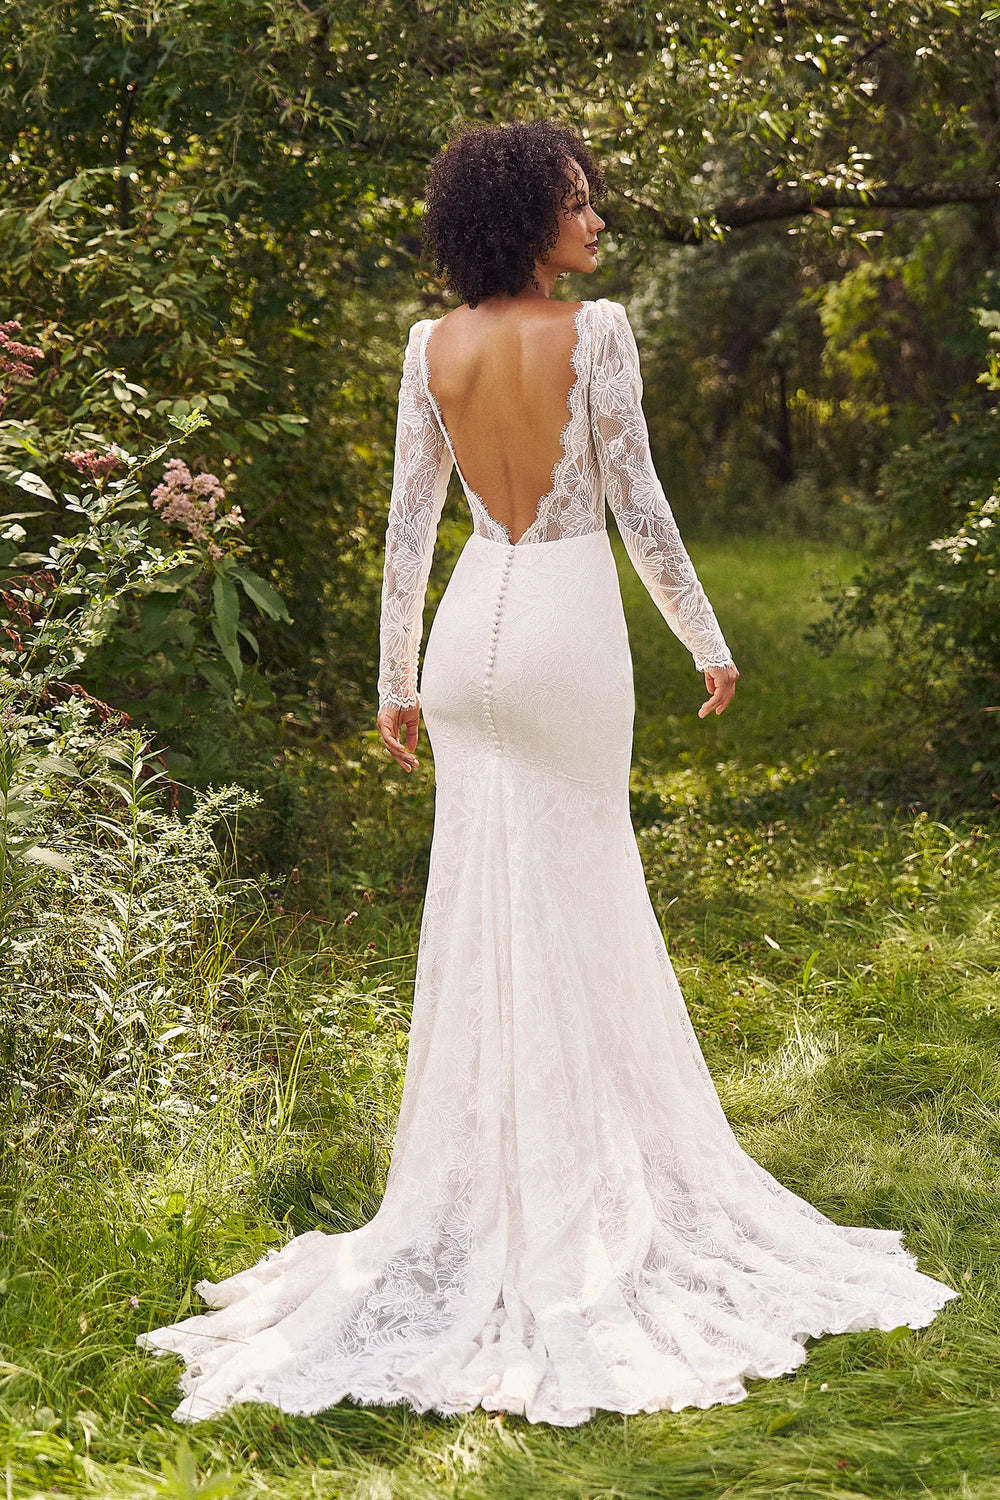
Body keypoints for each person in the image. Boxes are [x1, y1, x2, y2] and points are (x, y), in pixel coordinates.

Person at [138, 120, 956, 1426]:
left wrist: (394, 680)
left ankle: (490, 1190)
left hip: (470, 634)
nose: (594, 225)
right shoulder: (599, 331)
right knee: (583, 906)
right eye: (578, 203)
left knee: (484, 918)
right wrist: (708, 638)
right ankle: (580, 1199)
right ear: (527, 217)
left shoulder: (430, 346)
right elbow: (638, 505)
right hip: (569, 635)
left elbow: (411, 521)